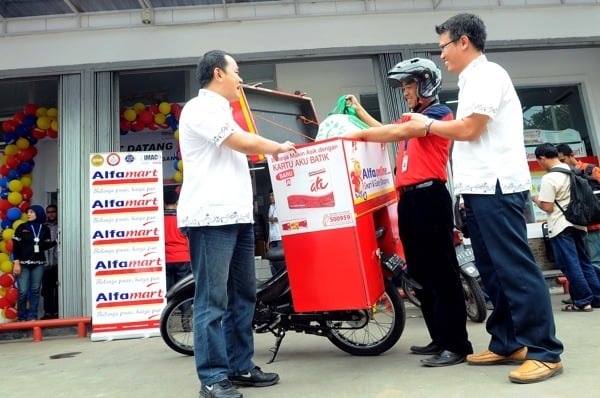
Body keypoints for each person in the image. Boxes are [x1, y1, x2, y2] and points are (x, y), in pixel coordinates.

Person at [401, 13, 564, 384]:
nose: (441, 56)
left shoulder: (488, 75)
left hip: (497, 187)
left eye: (443, 47)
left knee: (515, 269)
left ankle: (545, 350)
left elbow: (471, 129)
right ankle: (507, 341)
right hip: (476, 191)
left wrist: (425, 125)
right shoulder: (470, 80)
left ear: (463, 42)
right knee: (491, 271)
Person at [177, 49, 295, 398]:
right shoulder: (199, 109)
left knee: (243, 295)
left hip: (238, 216)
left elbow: (243, 139)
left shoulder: (225, 111)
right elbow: (240, 142)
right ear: (218, 74)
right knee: (212, 301)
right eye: (237, 72)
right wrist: (279, 147)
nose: (240, 79)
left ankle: (240, 366)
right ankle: (212, 378)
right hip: (211, 218)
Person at [345, 57, 473, 367]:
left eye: (409, 84)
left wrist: (349, 135)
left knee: (442, 274)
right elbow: (387, 130)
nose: (405, 91)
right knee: (419, 275)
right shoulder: (412, 119)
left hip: (430, 196)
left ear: (427, 83)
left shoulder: (438, 115)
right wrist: (359, 112)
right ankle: (439, 338)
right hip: (409, 200)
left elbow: (393, 134)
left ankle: (457, 345)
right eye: (402, 86)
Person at [531, 143, 600, 312]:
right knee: (584, 262)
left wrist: (535, 199)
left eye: (539, 161)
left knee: (570, 264)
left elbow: (547, 207)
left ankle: (583, 301)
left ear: (542, 158)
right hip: (579, 224)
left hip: (561, 226)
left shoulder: (550, 178)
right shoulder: (573, 172)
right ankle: (597, 297)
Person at [556, 143, 600, 282]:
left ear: (572, 155)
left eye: (562, 160)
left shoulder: (591, 170)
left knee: (594, 261)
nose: (561, 164)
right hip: (578, 226)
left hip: (594, 225)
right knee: (588, 261)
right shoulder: (563, 175)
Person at [12, 205, 58, 321]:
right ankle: (21, 318)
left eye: (31, 212)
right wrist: (16, 263)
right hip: (23, 263)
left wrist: (55, 242)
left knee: (35, 290)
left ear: (38, 213)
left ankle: (33, 317)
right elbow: (16, 246)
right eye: (28, 212)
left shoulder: (44, 229)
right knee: (23, 291)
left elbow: (44, 246)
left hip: (38, 263)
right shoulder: (22, 227)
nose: (28, 214)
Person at [163, 189, 191, 292]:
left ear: (164, 202)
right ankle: (186, 308)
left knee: (169, 290)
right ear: (177, 202)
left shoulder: (160, 220)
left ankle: (170, 308)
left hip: (167, 258)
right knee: (184, 290)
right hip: (183, 258)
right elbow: (189, 239)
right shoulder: (182, 218)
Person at [41, 204, 59, 319]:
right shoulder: (42, 227)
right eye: (48, 212)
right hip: (46, 262)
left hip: (59, 262)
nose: (51, 214)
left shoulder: (62, 225)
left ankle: (58, 311)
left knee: (58, 288)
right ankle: (48, 313)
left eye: (53, 212)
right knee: (47, 289)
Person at [267, 190, 283, 275]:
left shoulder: (280, 205)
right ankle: (274, 279)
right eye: (270, 196)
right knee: (272, 261)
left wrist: (272, 218)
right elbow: (270, 223)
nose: (271, 197)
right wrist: (268, 240)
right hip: (273, 238)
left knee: (280, 260)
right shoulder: (271, 207)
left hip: (280, 238)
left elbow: (274, 219)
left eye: (273, 195)